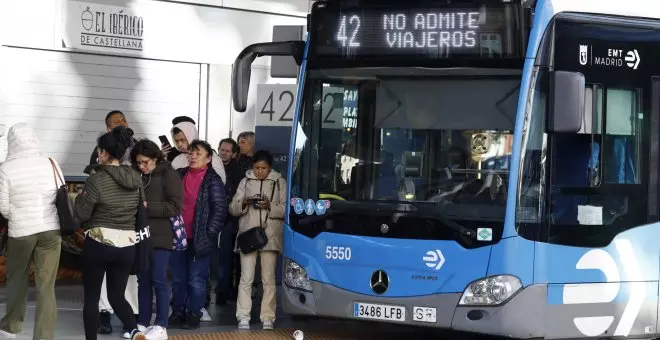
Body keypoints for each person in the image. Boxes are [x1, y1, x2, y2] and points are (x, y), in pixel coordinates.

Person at [75, 126, 146, 340]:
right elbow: (140, 208)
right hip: (127, 245)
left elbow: (81, 212)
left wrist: (80, 197)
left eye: (99, 151)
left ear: (104, 153)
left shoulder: (97, 179)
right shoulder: (135, 178)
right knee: (117, 296)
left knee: (92, 297)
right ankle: (134, 331)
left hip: (99, 243)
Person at [0, 123, 63, 339]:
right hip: (50, 230)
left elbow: (4, 208)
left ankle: (11, 327)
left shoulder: (5, 168)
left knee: (17, 279)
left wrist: (19, 216)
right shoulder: (50, 162)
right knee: (46, 285)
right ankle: (43, 336)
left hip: (21, 232)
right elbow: (60, 193)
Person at [169, 140, 227, 329]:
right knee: (178, 278)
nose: (193, 156)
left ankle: (194, 314)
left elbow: (220, 210)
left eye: (198, 154)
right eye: (191, 153)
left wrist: (209, 234)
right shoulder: (179, 175)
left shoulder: (213, 180)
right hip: (178, 236)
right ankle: (177, 312)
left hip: (200, 239)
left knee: (196, 279)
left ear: (209, 158)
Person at [131, 140, 183, 340]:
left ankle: (161, 324)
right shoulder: (138, 175)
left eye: (145, 162)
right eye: (138, 163)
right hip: (140, 235)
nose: (142, 166)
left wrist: (147, 206)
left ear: (155, 158)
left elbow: (175, 206)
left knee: (159, 280)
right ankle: (143, 322)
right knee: (142, 280)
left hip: (161, 235)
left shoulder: (169, 174)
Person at [230, 150, 286, 330]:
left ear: (270, 168)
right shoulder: (244, 181)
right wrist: (244, 203)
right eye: (256, 168)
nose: (260, 171)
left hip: (270, 236)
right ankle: (243, 315)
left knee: (268, 279)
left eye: (263, 168)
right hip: (248, 235)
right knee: (246, 278)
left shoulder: (279, 182)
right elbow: (232, 208)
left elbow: (286, 210)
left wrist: (270, 205)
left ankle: (268, 317)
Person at [215, 138, 243, 304]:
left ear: (234, 154)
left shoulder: (238, 172)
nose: (223, 153)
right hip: (216, 219)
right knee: (221, 259)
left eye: (227, 151)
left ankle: (226, 293)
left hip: (231, 221)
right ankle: (221, 293)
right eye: (221, 149)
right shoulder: (212, 167)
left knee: (229, 259)